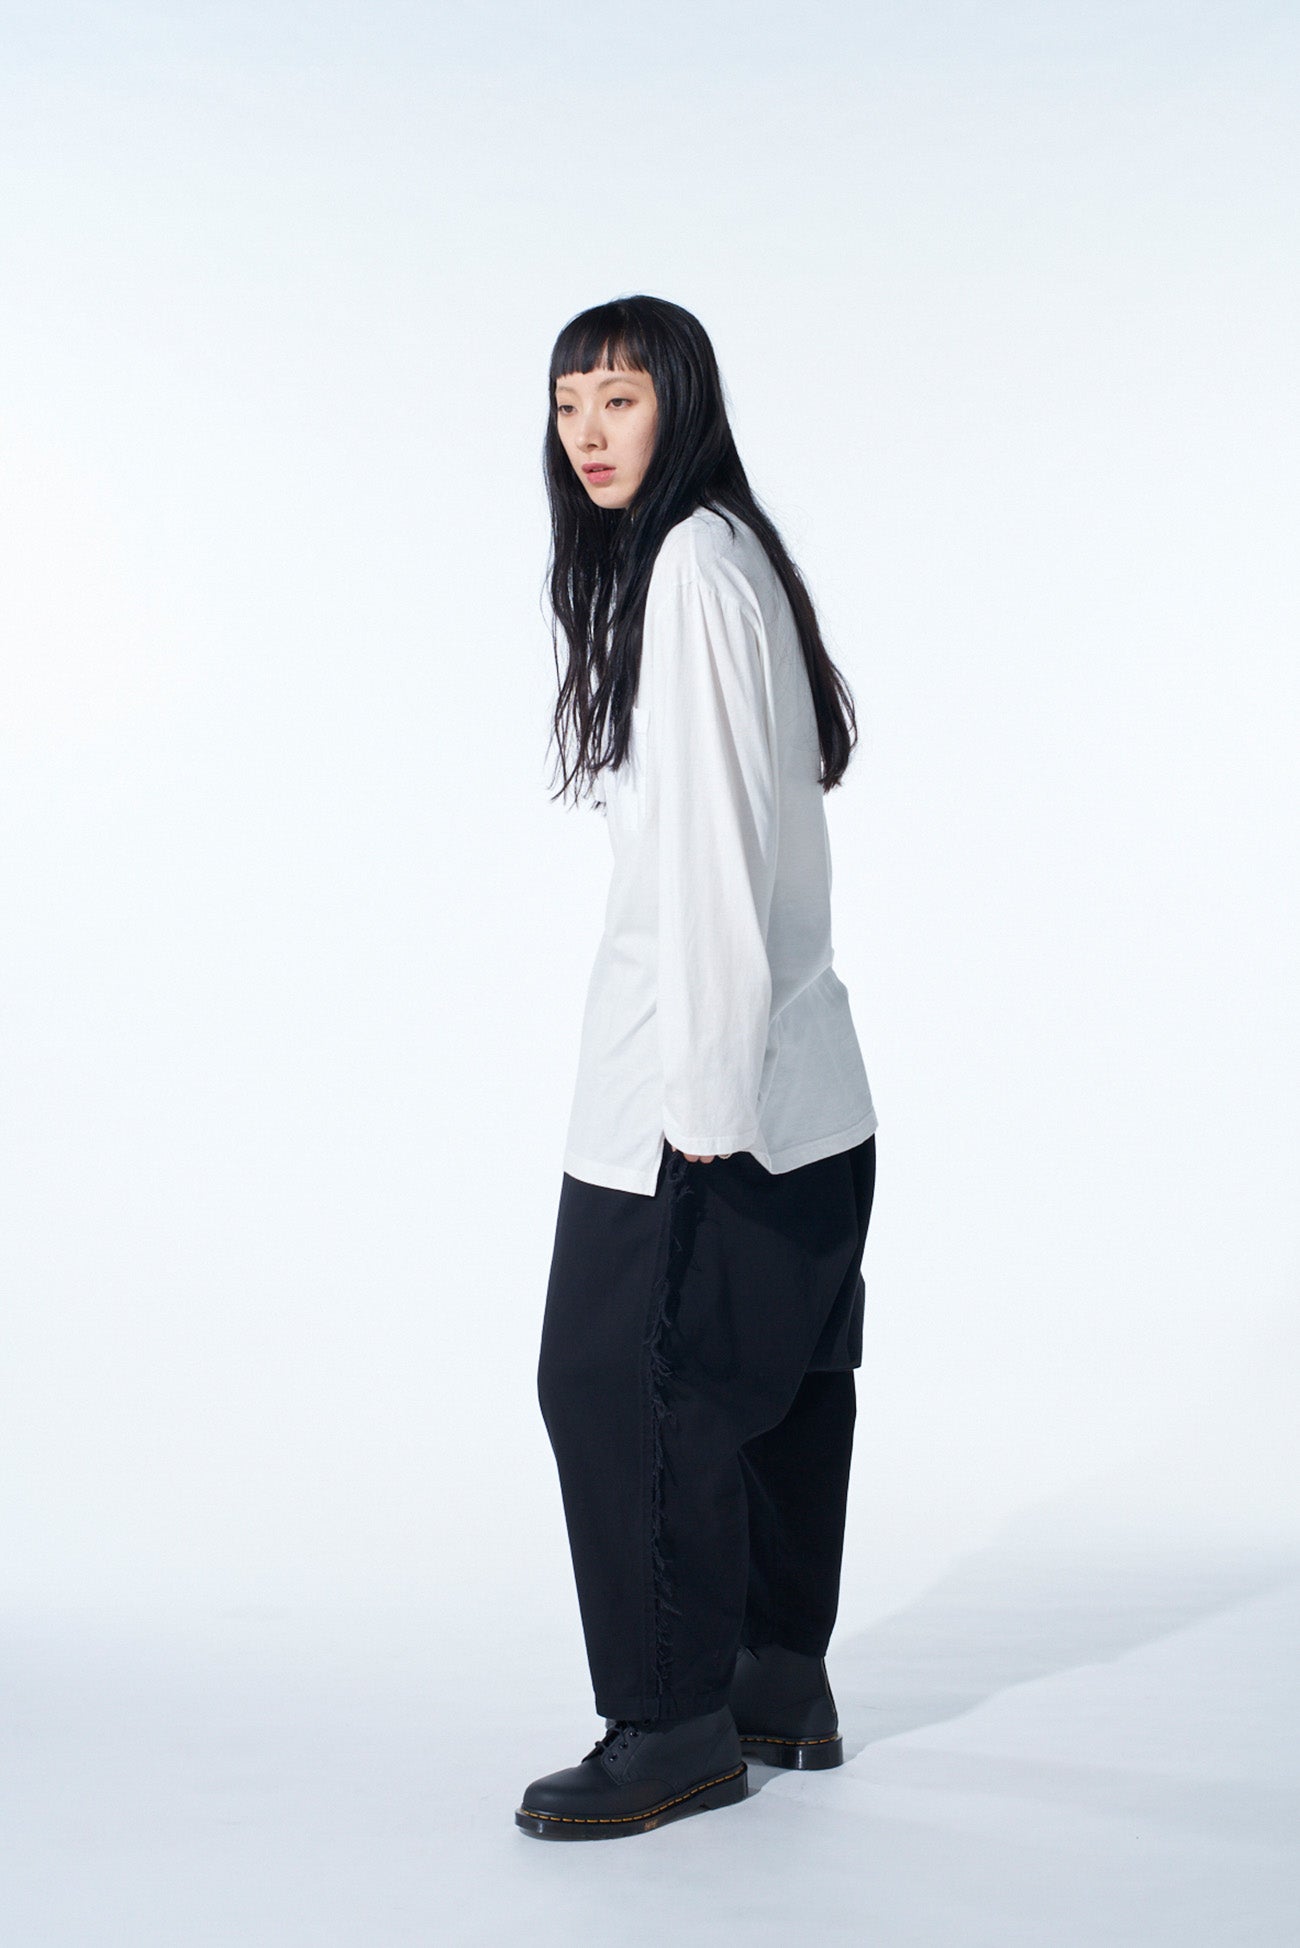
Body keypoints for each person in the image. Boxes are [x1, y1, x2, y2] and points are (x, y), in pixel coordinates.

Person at [516, 296, 879, 1841]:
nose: (588, 434)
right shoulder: (729, 557)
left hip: (704, 1097)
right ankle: (776, 1680)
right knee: (778, 1387)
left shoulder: (688, 572)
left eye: (619, 399)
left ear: (682, 403)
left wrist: (708, 1101)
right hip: (812, 1095)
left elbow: (715, 858)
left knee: (617, 1386)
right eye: (567, 405)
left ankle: (670, 1726)